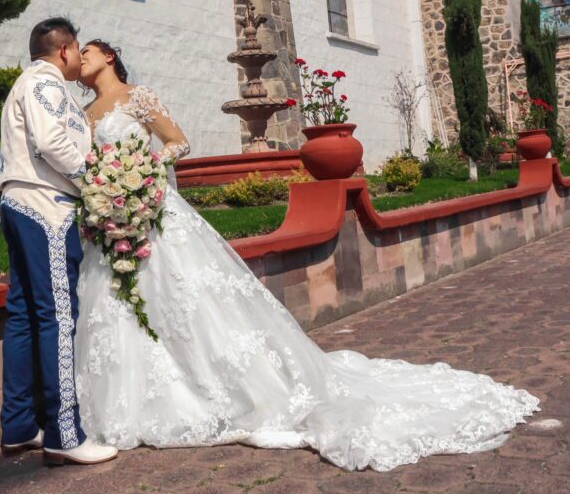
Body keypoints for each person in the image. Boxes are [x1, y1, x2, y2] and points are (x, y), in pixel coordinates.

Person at [75, 39, 539, 472]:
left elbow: (177, 142)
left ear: (110, 57)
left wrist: (141, 172)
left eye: (90, 50)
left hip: (150, 206)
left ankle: (229, 389)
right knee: (119, 304)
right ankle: (142, 400)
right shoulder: (85, 112)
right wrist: (106, 189)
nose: (84, 58)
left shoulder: (138, 97)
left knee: (184, 299)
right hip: (110, 219)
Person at [0, 18, 118, 466]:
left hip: (19, 200)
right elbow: (52, 141)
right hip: (46, 206)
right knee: (56, 316)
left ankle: (20, 426)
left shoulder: (30, 84)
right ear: (65, 49)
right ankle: (64, 434)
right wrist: (96, 182)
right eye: (77, 50)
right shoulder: (45, 84)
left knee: (23, 314)